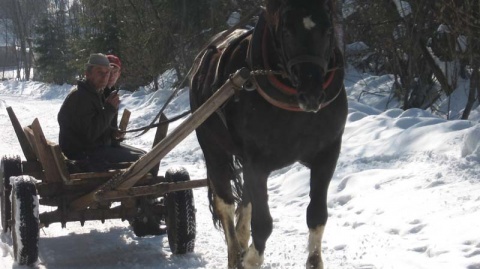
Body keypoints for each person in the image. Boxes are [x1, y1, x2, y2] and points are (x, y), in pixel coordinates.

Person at [58, 53, 146, 172]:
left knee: (144, 154)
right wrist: (109, 109)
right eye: (100, 72)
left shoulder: (93, 93)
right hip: (82, 154)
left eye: (107, 72)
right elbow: (90, 135)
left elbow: (94, 127)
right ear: (88, 74)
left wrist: (112, 132)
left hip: (90, 149)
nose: (105, 77)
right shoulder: (81, 97)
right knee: (145, 160)